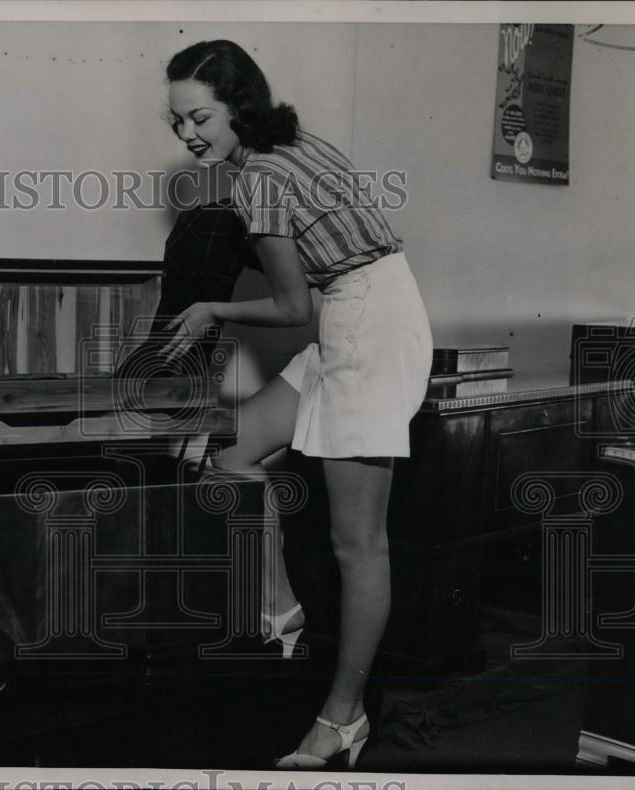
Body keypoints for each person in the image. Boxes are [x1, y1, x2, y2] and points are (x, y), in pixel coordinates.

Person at [159, 40, 433, 770]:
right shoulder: (292, 143)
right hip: (364, 311)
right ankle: (282, 610)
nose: (188, 134)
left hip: (368, 328)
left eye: (200, 116)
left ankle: (341, 718)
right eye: (177, 121)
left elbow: (290, 306)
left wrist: (212, 308)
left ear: (236, 104)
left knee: (358, 544)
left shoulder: (259, 181)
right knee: (235, 456)